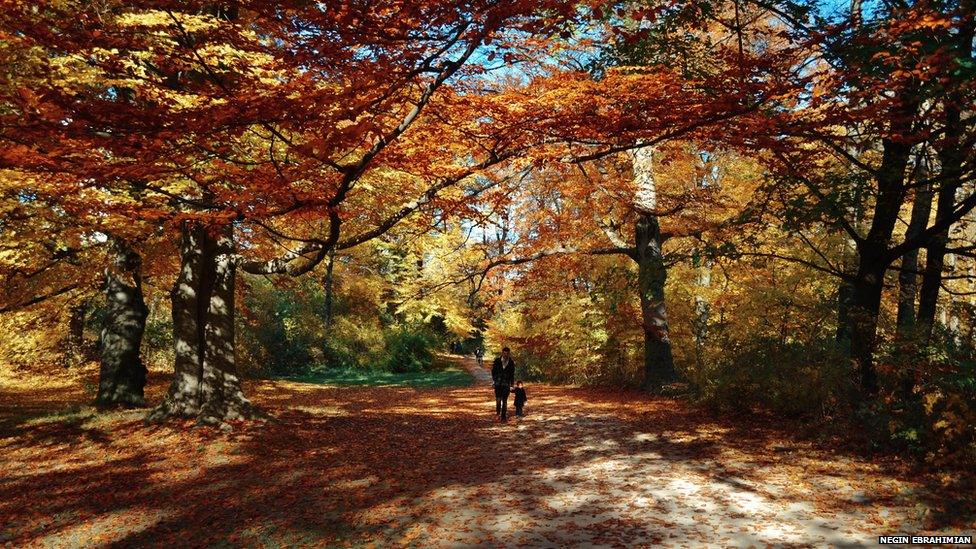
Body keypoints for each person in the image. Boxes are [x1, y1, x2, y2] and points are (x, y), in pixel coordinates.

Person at [491, 347, 516, 421]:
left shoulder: (511, 363)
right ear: (502, 353)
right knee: (498, 400)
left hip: (506, 384)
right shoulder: (497, 361)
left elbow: (512, 374)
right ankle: (498, 413)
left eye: (507, 353)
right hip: (498, 383)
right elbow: (493, 372)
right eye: (504, 353)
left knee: (504, 400)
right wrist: (494, 381)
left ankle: (503, 416)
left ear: (509, 353)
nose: (506, 355)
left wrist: (512, 385)